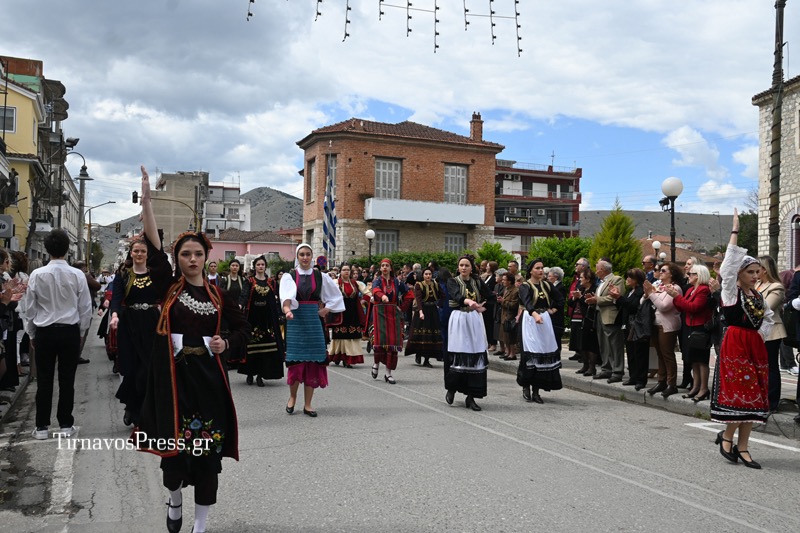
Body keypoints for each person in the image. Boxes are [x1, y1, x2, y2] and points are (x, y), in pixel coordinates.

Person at [133, 166, 251, 533]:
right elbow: (153, 247)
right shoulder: (169, 286)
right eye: (186, 254)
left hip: (209, 382)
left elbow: (242, 329)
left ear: (206, 256)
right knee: (174, 459)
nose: (192, 259)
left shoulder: (220, 295)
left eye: (198, 253)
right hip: (174, 383)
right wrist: (147, 201)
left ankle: (200, 526)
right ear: (179, 258)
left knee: (205, 458)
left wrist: (226, 342)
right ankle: (174, 499)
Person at [713, 209, 772, 469]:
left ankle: (744, 446)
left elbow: (768, 319)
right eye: (750, 272)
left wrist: (759, 336)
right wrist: (735, 230)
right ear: (739, 274)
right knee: (740, 395)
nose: (755, 276)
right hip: (735, 345)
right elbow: (727, 266)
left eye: (758, 272)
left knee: (755, 397)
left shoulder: (757, 296)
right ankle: (728, 437)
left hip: (754, 346)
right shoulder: (730, 292)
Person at [22, 230, 92, 440]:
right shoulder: (77, 275)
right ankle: (65, 425)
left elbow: (30, 308)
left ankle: (42, 427)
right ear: (67, 248)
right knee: (67, 379)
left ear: (47, 248)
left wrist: (31, 333)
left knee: (44, 379)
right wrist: (81, 332)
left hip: (45, 331)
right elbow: (85, 307)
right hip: (69, 331)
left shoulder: (37, 275)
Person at [280, 244, 344, 416]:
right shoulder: (290, 276)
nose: (305, 257)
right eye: (302, 254)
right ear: (297, 256)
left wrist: (326, 309)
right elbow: (286, 298)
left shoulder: (320, 276)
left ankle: (308, 404)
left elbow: (336, 296)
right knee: (295, 363)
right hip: (295, 321)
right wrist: (287, 310)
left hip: (314, 321)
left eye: (308, 254)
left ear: (312, 256)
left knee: (313, 363)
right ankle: (292, 397)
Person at [109, 238, 161, 426]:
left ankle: (141, 411)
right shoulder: (123, 275)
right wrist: (115, 315)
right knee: (130, 369)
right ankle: (131, 407)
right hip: (129, 324)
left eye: (143, 251)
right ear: (131, 253)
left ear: (147, 254)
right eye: (136, 251)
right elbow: (116, 298)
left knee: (146, 370)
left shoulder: (155, 274)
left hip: (151, 324)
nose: (139, 254)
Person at [444, 254, 491, 411]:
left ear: (472, 268)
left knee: (475, 356)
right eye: (461, 265)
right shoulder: (452, 281)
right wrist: (469, 301)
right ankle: (452, 388)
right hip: (459, 319)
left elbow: (490, 295)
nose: (463, 268)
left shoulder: (477, 281)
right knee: (459, 356)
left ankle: (471, 397)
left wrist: (484, 305)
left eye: (466, 265)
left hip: (474, 319)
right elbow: (456, 296)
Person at [517, 259, 563, 404]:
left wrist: (553, 309)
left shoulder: (547, 285)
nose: (541, 270)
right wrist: (534, 314)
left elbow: (560, 299)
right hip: (530, 320)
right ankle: (526, 385)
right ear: (531, 270)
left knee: (542, 354)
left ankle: (536, 390)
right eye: (537, 268)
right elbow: (526, 302)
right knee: (530, 354)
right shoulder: (525, 286)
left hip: (544, 320)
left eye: (542, 268)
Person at [668, 264, 713, 402]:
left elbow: (694, 307)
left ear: (699, 276)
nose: (688, 276)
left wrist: (677, 297)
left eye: (691, 274)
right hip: (690, 326)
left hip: (700, 328)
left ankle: (703, 388)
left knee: (701, 360)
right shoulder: (691, 290)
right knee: (693, 359)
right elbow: (682, 307)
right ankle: (696, 386)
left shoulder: (704, 290)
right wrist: (675, 297)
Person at [238, 255, 285, 387]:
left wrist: (282, 311)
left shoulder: (272, 282)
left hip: (267, 320)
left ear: (265, 267)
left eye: (262, 264)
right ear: (255, 267)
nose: (260, 266)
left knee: (267, 348)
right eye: (258, 264)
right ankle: (250, 373)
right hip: (252, 318)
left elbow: (278, 298)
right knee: (251, 347)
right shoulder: (249, 281)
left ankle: (261, 375)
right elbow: (244, 295)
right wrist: (240, 305)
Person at [643, 262, 683, 398]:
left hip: (668, 325)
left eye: (664, 270)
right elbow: (643, 301)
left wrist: (651, 293)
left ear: (672, 274)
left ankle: (672, 384)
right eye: (660, 270)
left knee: (667, 354)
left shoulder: (675, 288)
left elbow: (664, 306)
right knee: (659, 354)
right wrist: (647, 293)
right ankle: (661, 381)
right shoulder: (659, 286)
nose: (660, 272)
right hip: (655, 323)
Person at [755, 255, 786, 412]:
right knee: (758, 366)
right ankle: (759, 397)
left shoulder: (776, 287)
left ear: (765, 270)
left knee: (770, 366)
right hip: (756, 332)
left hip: (771, 332)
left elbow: (766, 308)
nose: (754, 272)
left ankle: (772, 401)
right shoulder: (757, 284)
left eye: (757, 268)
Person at [369, 259, 407, 384]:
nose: (385, 267)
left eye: (387, 265)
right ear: (380, 268)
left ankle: (388, 373)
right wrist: (382, 296)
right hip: (380, 312)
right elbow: (375, 290)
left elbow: (409, 293)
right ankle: (376, 363)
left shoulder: (397, 281)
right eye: (383, 266)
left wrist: (402, 307)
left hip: (393, 313)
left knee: (392, 343)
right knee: (380, 341)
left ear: (391, 268)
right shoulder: (377, 281)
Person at [587, 260, 625, 383]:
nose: (596, 271)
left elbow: (614, 297)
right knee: (603, 344)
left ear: (603, 270)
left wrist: (597, 300)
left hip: (610, 316)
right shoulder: (601, 282)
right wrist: (592, 300)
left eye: (597, 268)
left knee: (614, 345)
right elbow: (600, 298)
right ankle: (606, 368)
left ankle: (617, 371)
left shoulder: (616, 279)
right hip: (599, 314)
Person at [611, 268, 648, 390]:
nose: (627, 279)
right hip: (627, 325)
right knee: (631, 352)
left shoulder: (640, 291)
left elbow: (633, 307)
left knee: (639, 353)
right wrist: (616, 298)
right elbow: (623, 306)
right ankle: (633, 376)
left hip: (637, 326)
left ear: (636, 280)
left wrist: (619, 297)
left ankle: (641, 379)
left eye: (629, 277)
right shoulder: (629, 292)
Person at [329, 264, 370, 368]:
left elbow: (367, 293)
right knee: (340, 335)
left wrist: (365, 300)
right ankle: (338, 356)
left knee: (351, 335)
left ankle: (348, 358)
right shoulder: (336, 282)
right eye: (344, 270)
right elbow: (328, 293)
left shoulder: (355, 283)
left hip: (353, 312)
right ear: (340, 271)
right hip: (340, 312)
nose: (346, 271)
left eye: (348, 270)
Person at [405, 266, 443, 367]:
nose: (428, 276)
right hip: (422, 310)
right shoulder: (419, 285)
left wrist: (439, 305)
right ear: (423, 275)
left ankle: (427, 359)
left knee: (431, 335)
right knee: (420, 334)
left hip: (432, 311)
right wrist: (421, 312)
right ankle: (418, 353)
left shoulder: (435, 284)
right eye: (426, 274)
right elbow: (418, 299)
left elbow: (443, 296)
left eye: (429, 274)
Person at [567, 258, 590, 362]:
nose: (575, 266)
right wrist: (574, 298)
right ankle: (578, 352)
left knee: (582, 335)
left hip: (583, 312)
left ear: (583, 266)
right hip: (575, 309)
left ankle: (584, 356)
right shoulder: (575, 279)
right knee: (575, 333)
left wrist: (579, 296)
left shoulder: (589, 282)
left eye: (577, 264)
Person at [497, 271, 520, 361]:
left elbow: (514, 305)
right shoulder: (506, 289)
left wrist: (503, 301)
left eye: (504, 280)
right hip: (504, 315)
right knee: (505, 336)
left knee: (511, 337)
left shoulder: (515, 291)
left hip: (510, 316)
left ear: (509, 281)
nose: (502, 281)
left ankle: (512, 354)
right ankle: (508, 352)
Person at [547, 266, 567, 358]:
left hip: (556, 316)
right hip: (550, 315)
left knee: (556, 337)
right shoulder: (551, 286)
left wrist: (554, 309)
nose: (548, 278)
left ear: (555, 277)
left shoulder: (560, 287)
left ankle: (557, 357)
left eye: (549, 276)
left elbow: (560, 301)